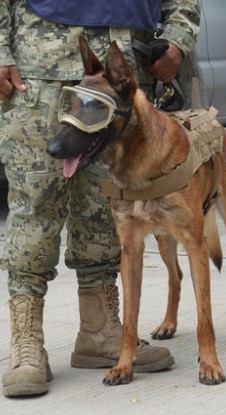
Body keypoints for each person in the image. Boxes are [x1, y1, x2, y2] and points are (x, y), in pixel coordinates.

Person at [0, 0, 200, 397]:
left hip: (123, 65)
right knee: (36, 203)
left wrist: (177, 37)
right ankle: (26, 344)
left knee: (107, 210)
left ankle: (101, 331)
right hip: (42, 64)